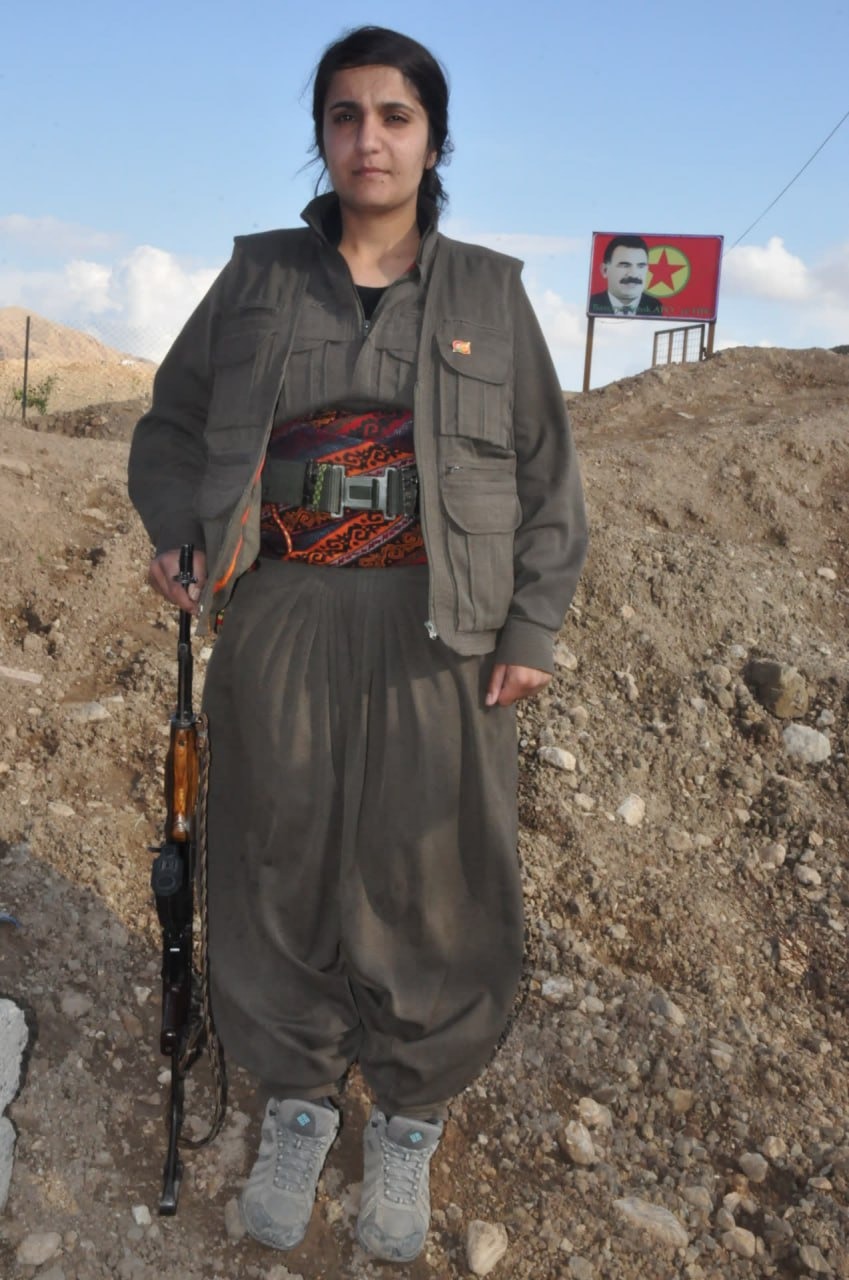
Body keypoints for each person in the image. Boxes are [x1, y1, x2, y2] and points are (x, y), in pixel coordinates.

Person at [128, 25, 587, 1264]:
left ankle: (409, 1115)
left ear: (434, 140)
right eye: (344, 115)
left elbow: (547, 475)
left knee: (434, 867)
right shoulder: (258, 278)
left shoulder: (489, 292)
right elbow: (170, 427)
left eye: (395, 116)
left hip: (440, 626)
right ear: (321, 137)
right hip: (284, 610)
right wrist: (177, 534)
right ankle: (296, 1099)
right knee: (276, 852)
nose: (368, 138)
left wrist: (531, 623)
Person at [588, 234, 663, 315]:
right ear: (605, 270)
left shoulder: (656, 307)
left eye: (641, 266)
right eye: (625, 265)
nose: (633, 274)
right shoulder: (591, 304)